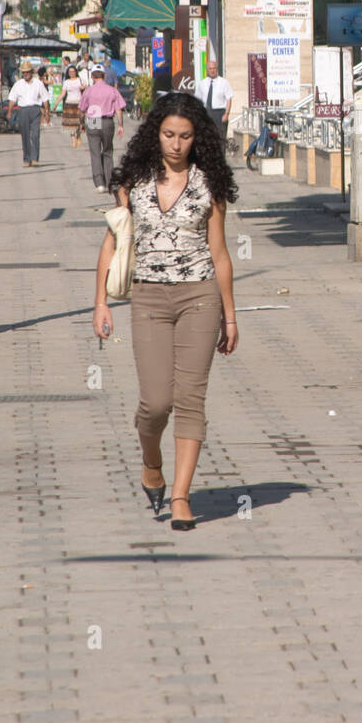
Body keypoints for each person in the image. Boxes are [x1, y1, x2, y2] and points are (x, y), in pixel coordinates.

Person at [91, 92, 239, 532]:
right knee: (155, 403)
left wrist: (230, 317)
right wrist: (100, 301)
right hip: (149, 299)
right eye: (169, 134)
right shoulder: (133, 181)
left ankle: (180, 496)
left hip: (200, 297)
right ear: (156, 134)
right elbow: (113, 243)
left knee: (190, 398)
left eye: (185, 136)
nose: (176, 144)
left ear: (198, 138)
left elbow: (221, 254)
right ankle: (151, 463)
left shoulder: (208, 184)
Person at [79, 64, 125, 192]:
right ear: (104, 76)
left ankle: (99, 182)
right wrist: (121, 124)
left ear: (92, 76)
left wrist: (82, 124)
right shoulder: (112, 90)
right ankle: (110, 180)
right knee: (107, 151)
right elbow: (118, 109)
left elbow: (82, 110)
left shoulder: (88, 91)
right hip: (107, 120)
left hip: (93, 119)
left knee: (95, 151)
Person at [7, 60, 50, 167]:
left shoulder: (38, 83)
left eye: (27, 72)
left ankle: (35, 158)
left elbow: (45, 98)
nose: (25, 74)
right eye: (24, 72)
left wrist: (47, 113)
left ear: (31, 72)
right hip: (23, 111)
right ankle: (27, 159)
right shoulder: (18, 84)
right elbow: (12, 98)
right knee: (25, 135)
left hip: (35, 110)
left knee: (35, 135)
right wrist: (9, 111)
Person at [194, 60, 233, 144]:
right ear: (207, 70)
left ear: (217, 69)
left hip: (219, 113)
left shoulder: (223, 82)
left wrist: (226, 114)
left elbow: (229, 98)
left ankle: (221, 156)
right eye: (210, 68)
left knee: (220, 139)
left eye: (214, 68)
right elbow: (197, 100)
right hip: (206, 113)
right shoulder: (202, 83)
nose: (212, 70)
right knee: (206, 138)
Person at [58, 63, 84, 147]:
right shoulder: (66, 82)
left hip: (79, 103)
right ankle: (73, 139)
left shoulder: (80, 80)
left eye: (73, 71)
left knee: (79, 122)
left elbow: (85, 88)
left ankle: (79, 136)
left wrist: (84, 88)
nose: (72, 73)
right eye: (70, 72)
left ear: (76, 72)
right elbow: (63, 94)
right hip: (69, 103)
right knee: (70, 124)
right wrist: (56, 104)